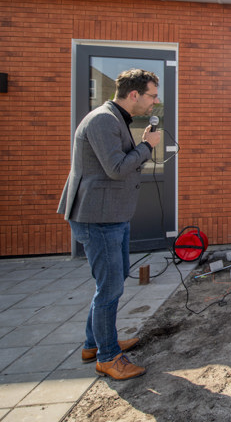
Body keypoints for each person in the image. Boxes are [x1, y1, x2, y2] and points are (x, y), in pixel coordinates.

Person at [57, 68, 162, 380]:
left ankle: (95, 343)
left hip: (112, 216)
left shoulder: (115, 119)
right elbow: (117, 169)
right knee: (110, 287)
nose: (155, 102)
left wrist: (142, 144)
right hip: (98, 218)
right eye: (152, 96)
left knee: (111, 285)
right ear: (134, 95)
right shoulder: (104, 120)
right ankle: (108, 356)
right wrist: (147, 147)